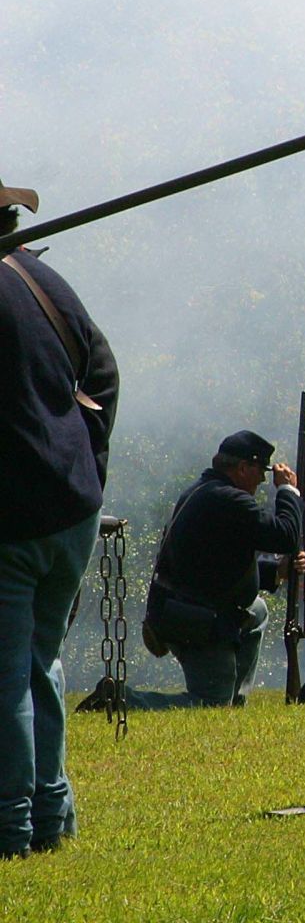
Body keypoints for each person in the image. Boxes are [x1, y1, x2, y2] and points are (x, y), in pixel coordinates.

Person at [0, 181, 119, 857]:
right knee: (37, 663)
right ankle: (52, 817)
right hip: (71, 511)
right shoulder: (45, 281)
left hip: (12, 522)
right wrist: (85, 473)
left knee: (7, 673)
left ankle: (11, 828)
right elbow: (104, 378)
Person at [146, 431, 304, 706]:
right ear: (243, 468)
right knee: (209, 704)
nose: (263, 480)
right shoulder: (228, 499)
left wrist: (277, 570)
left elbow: (220, 565)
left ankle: (235, 700)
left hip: (192, 604)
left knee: (257, 610)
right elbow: (285, 536)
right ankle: (120, 700)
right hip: (193, 614)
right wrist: (288, 491)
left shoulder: (210, 492)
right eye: (260, 471)